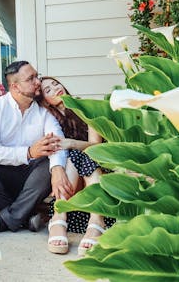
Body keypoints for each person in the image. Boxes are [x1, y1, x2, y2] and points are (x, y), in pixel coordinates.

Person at [0, 61, 73, 237]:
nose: (38, 81)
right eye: (31, 79)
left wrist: (59, 169)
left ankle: (5, 220)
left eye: (36, 75)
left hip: (34, 179)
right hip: (3, 177)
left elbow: (57, 143)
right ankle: (25, 216)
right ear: (15, 86)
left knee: (48, 164)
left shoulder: (43, 111)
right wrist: (28, 152)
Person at [37, 76, 116, 256]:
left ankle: (96, 220)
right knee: (71, 156)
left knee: (84, 154)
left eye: (55, 83)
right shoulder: (49, 119)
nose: (56, 88)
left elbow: (96, 147)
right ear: (45, 101)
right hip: (73, 192)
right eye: (48, 90)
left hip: (98, 172)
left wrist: (72, 143)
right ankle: (60, 215)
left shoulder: (84, 108)